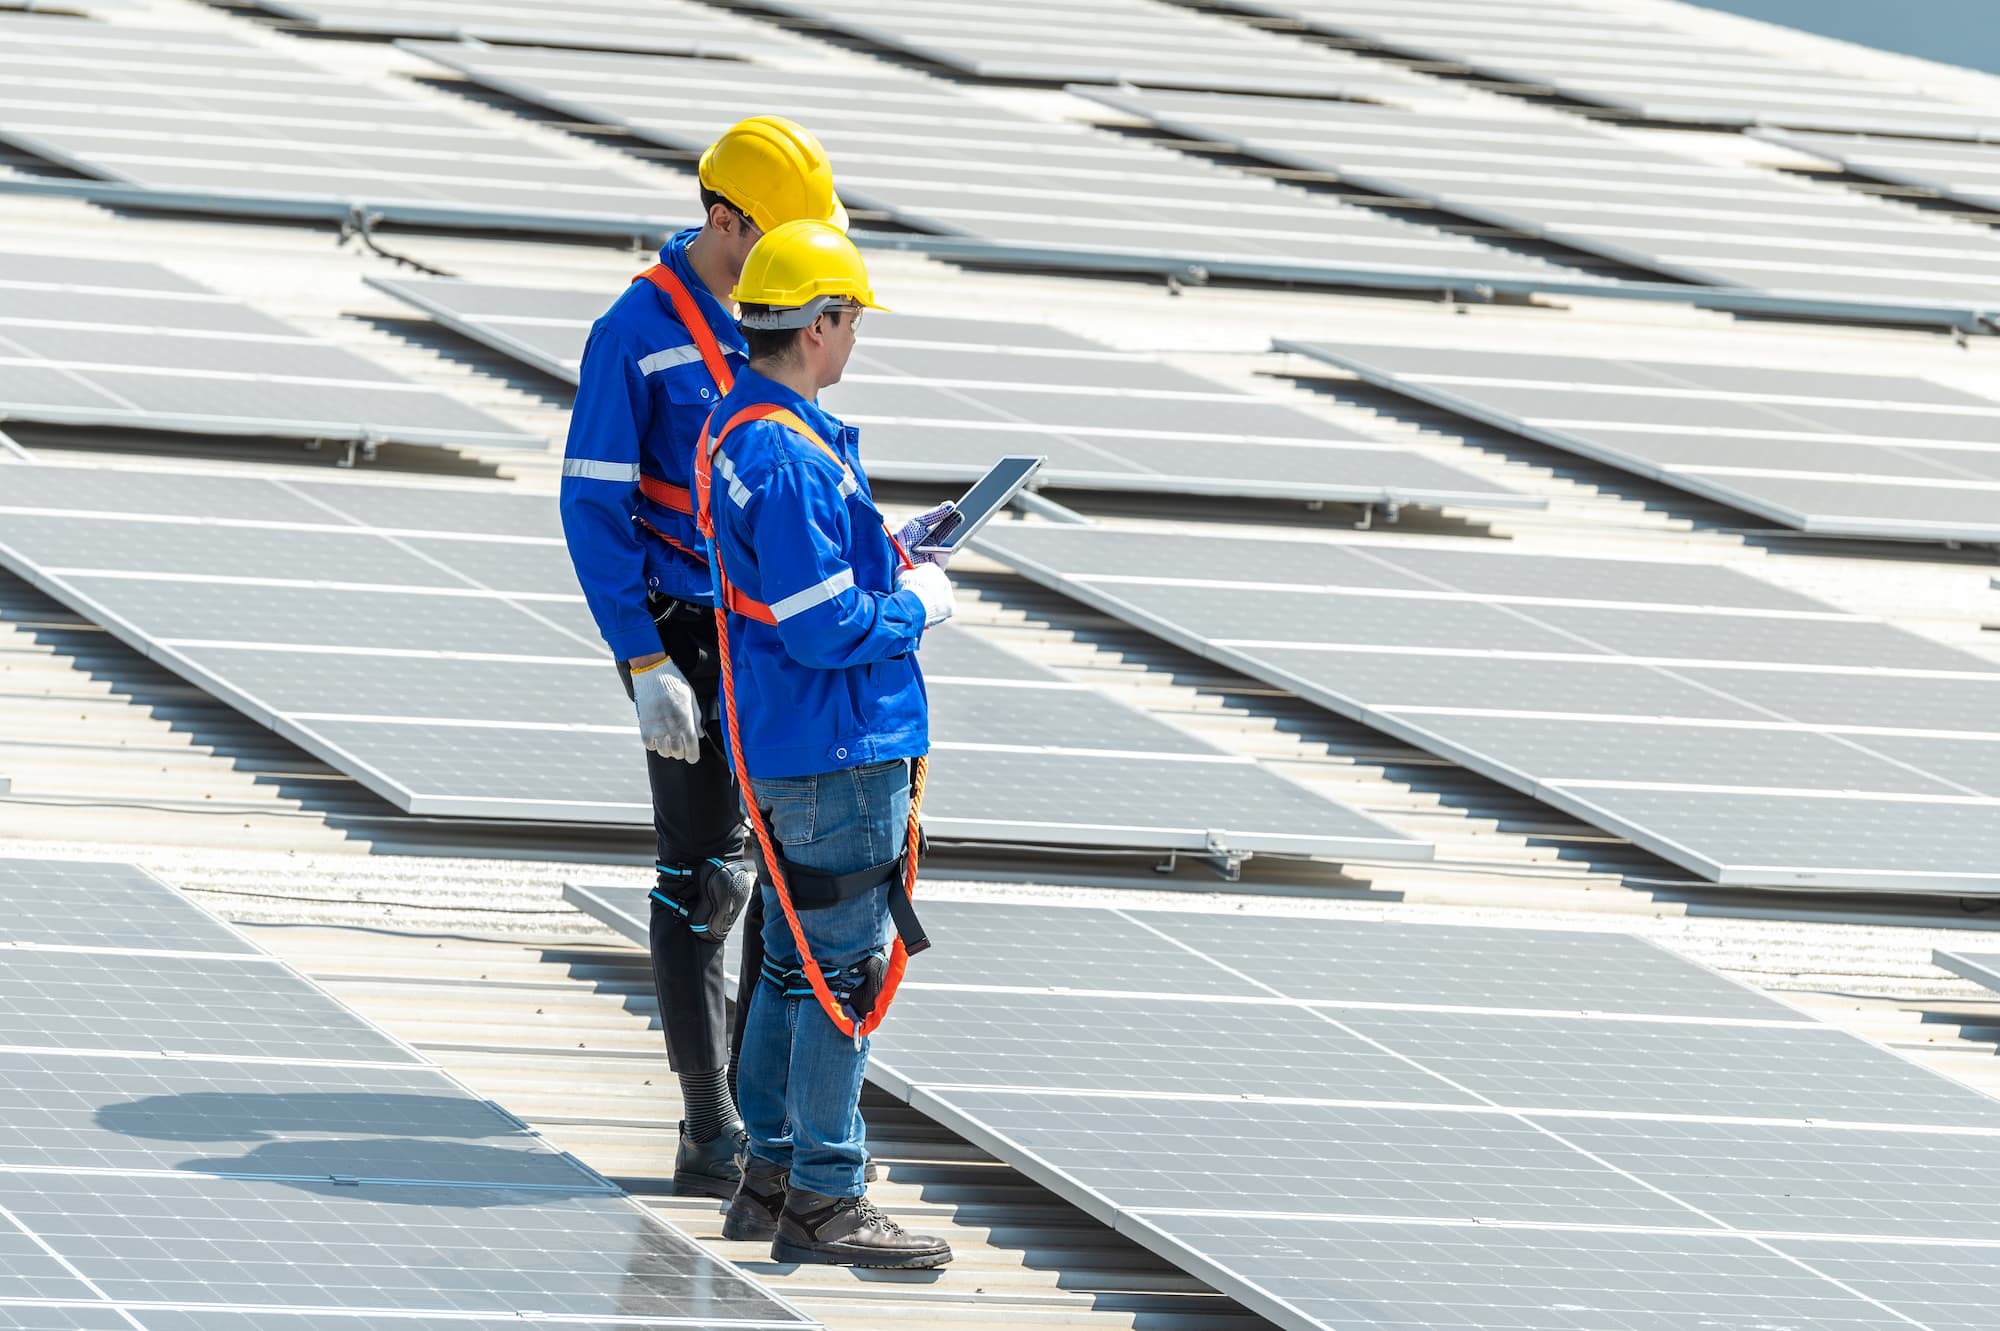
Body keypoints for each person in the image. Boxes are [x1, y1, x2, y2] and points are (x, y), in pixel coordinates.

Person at [558, 116, 849, 1199]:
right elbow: (592, 505)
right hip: (680, 630)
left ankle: (761, 1107)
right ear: (721, 219)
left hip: (764, 631)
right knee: (702, 872)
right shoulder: (635, 332)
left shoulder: (777, 316)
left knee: (783, 866)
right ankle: (709, 1120)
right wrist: (643, 662)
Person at [697, 218, 955, 1269]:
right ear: (817, 322)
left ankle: (770, 1173)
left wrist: (891, 551)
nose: (852, 342)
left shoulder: (739, 426)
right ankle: (826, 1193)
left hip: (791, 737)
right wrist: (919, 608)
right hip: (837, 744)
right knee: (837, 969)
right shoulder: (788, 454)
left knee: (789, 966)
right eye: (849, 322)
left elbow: (792, 581)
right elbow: (822, 626)